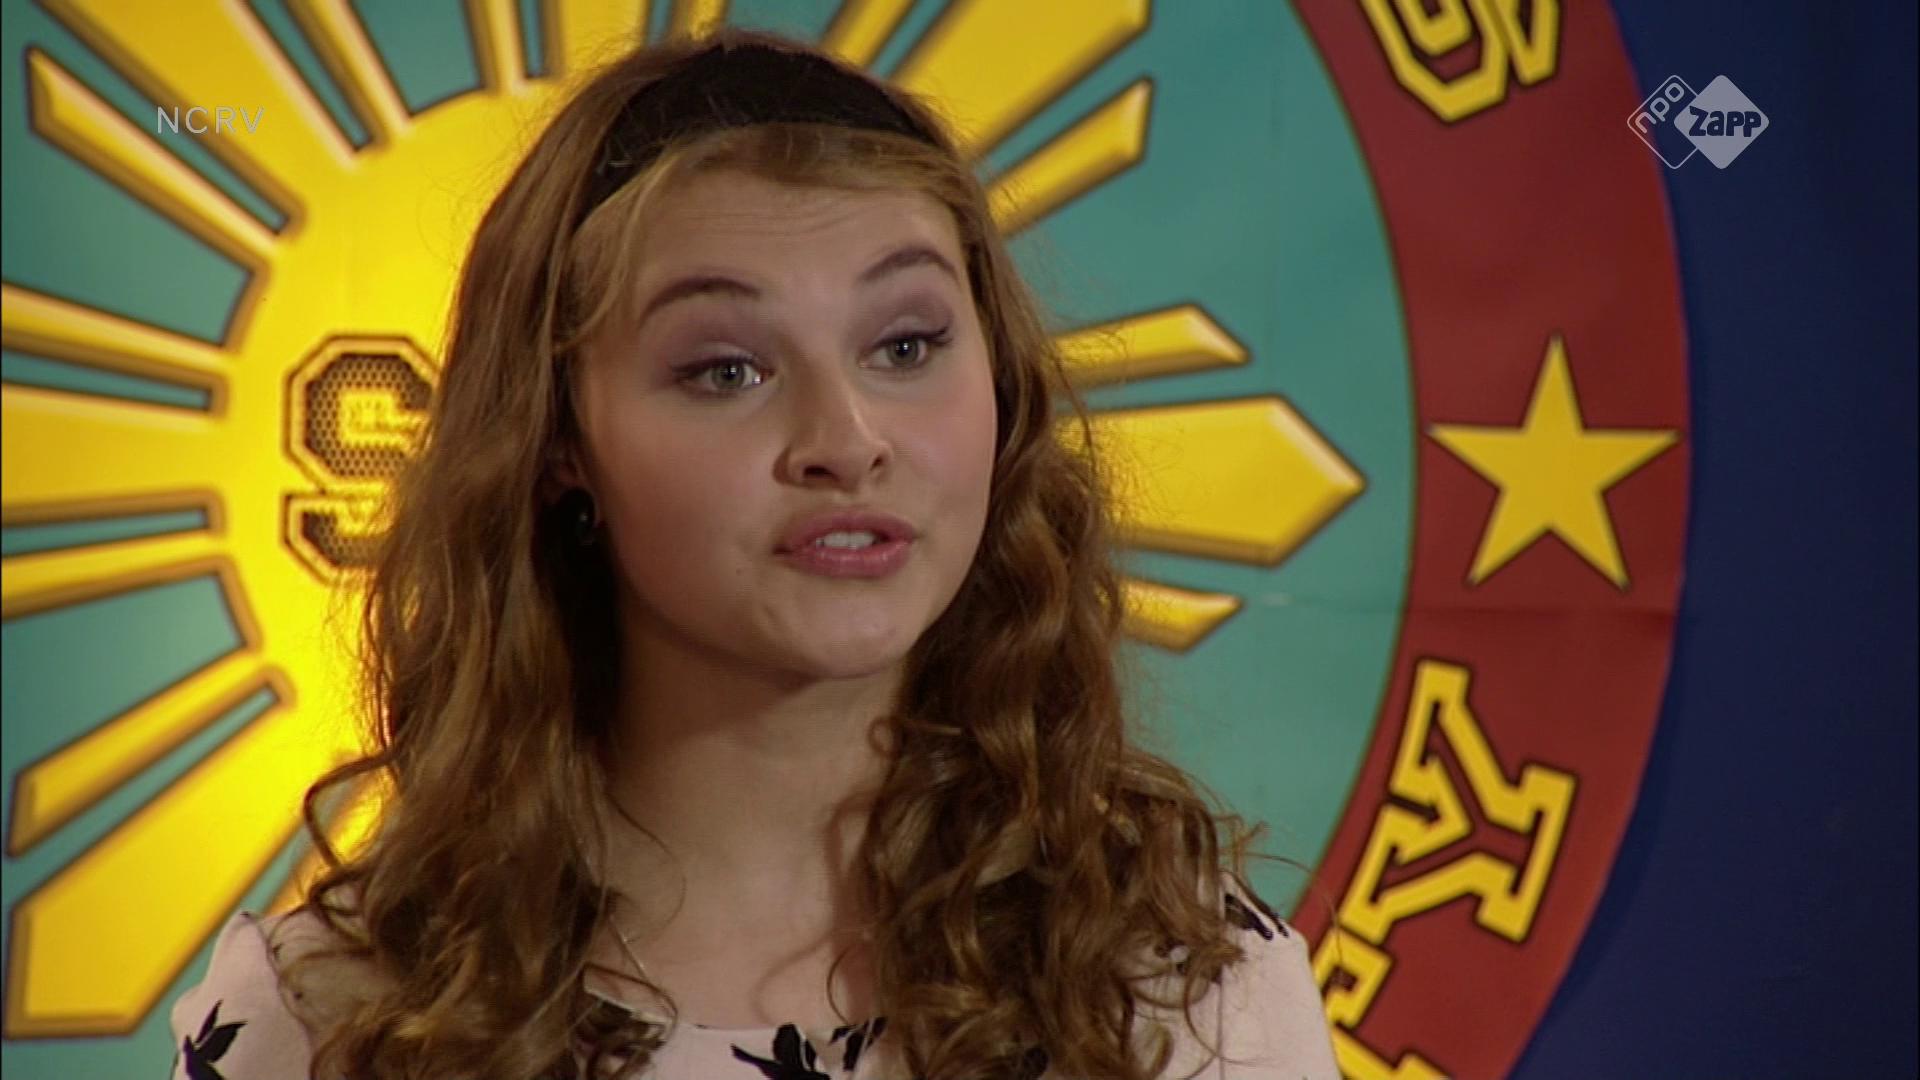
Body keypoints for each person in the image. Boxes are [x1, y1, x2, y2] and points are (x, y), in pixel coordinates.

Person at [166, 27, 1339, 1080]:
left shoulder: (1181, 986)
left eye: (906, 345)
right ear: (558, 439)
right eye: (727, 369)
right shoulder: (335, 1019)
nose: (847, 440)